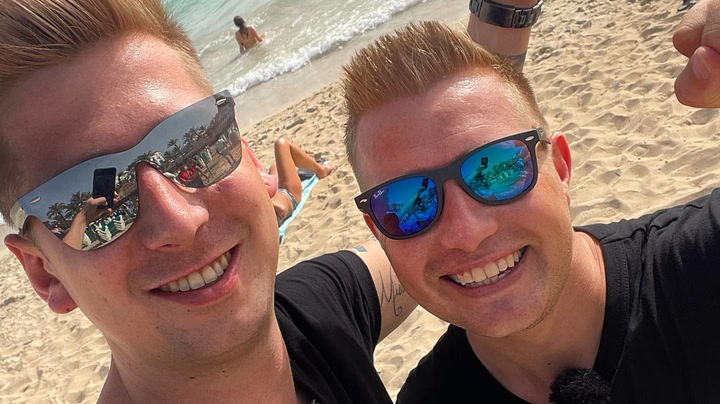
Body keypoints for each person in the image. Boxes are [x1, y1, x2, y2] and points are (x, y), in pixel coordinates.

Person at [0, 1, 416, 402]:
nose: (180, 222)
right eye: (83, 195)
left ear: (252, 160)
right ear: (45, 271)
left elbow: (434, 250)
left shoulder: (325, 308)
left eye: (192, 142)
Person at [341, 0, 720, 401]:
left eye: (497, 170)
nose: (466, 233)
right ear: (378, 232)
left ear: (561, 167)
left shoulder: (703, 265)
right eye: (404, 204)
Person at [269, 137, 337, 224]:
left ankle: (297, 156)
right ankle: (321, 170)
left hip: (275, 192)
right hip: (286, 196)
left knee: (276, 165)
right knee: (281, 144)